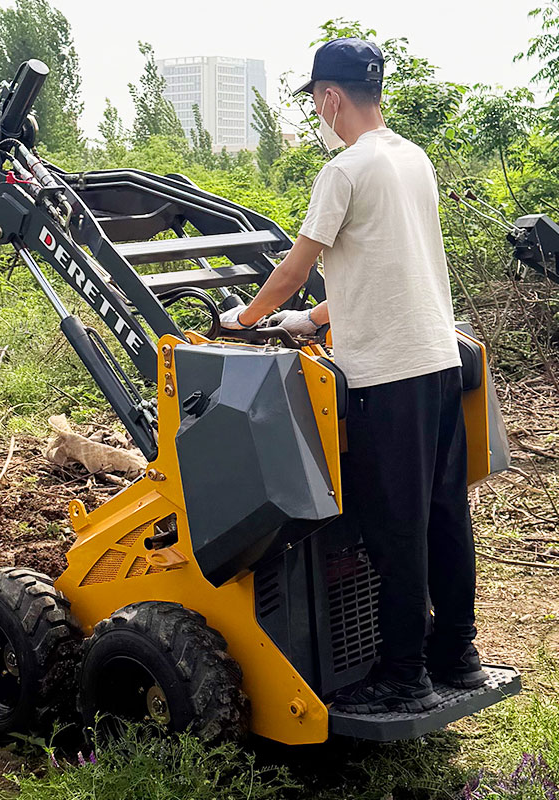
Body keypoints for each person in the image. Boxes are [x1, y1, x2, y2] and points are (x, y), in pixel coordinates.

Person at [220, 38, 486, 714]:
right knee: (444, 514)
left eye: (315, 100)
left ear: (330, 97)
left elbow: (292, 268)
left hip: (388, 379)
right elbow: (388, 264)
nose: (317, 111)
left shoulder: (343, 171)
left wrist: (244, 319)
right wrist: (313, 321)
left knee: (395, 530)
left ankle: (404, 678)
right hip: (440, 362)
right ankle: (457, 654)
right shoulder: (410, 158)